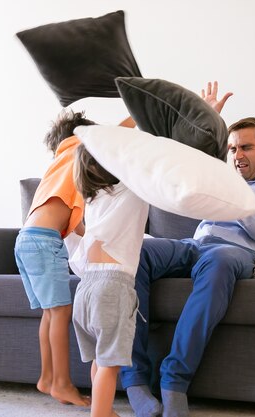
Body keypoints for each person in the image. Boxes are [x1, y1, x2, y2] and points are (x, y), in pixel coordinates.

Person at [120, 82, 255, 417]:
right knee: (136, 251)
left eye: (246, 147)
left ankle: (174, 379)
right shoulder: (223, 174)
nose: (237, 156)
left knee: (219, 259)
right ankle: (134, 379)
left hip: (235, 252)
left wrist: (229, 182)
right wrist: (203, 127)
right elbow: (180, 169)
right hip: (195, 244)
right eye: (232, 149)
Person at [14, 109, 94, 407]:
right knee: (61, 313)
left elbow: (79, 226)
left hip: (28, 240)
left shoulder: (59, 174)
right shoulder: (73, 150)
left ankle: (47, 378)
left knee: (50, 312)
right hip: (43, 242)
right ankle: (62, 383)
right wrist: (139, 113)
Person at [69, 134, 149, 417]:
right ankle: (100, 413)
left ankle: (101, 408)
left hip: (85, 288)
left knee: (98, 359)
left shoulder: (93, 200)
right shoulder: (133, 188)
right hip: (113, 287)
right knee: (109, 365)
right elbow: (158, 160)